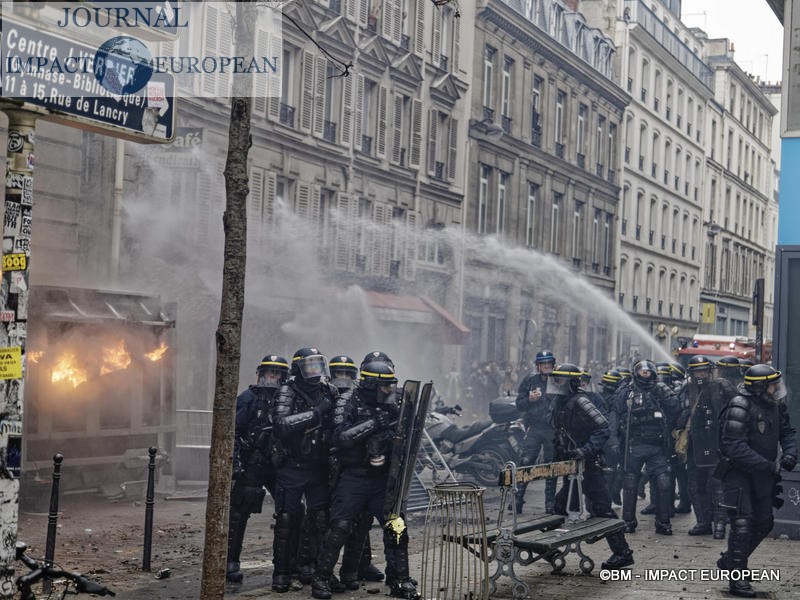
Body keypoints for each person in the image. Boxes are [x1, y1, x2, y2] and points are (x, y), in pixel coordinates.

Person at [312, 359, 420, 600]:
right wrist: (373, 424)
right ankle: (321, 578)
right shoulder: (347, 400)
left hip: (383, 479)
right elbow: (340, 437)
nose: (389, 391)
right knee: (339, 528)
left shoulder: (393, 401)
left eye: (391, 386)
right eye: (384, 387)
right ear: (371, 384)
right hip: (354, 477)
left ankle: (400, 579)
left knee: (397, 527)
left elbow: (407, 431)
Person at [716, 364, 797, 598]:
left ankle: (731, 561)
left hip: (763, 476)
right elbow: (733, 446)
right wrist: (769, 465)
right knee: (742, 524)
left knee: (764, 522)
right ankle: (737, 578)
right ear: (761, 386)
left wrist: (790, 453)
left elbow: (787, 432)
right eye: (773, 385)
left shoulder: (775, 406)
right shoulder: (739, 406)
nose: (777, 388)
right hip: (737, 474)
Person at [548, 364, 634, 570]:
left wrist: (586, 450)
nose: (556, 384)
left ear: (571, 383)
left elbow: (603, 428)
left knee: (602, 507)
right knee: (560, 506)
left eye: (560, 380)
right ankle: (548, 550)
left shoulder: (581, 401)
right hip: (572, 466)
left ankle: (623, 553)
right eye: (555, 379)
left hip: (588, 466)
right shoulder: (558, 402)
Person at [270, 347, 338, 592]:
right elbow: (281, 425)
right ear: (298, 369)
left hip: (318, 466)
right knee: (287, 519)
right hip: (292, 466)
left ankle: (319, 571)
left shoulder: (327, 390)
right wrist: (315, 413)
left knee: (321, 520)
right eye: (310, 366)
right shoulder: (288, 391)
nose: (315, 371)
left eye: (318, 365)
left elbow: (337, 423)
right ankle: (282, 572)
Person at [226, 355, 289, 583]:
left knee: (289, 511)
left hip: (277, 464)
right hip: (251, 463)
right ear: (261, 374)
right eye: (270, 372)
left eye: (277, 373)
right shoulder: (248, 399)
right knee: (238, 513)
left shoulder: (288, 400)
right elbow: (232, 431)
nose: (273, 377)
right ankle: (230, 562)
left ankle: (285, 566)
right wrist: (237, 465)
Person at [329, 354, 384, 587]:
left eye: (346, 374)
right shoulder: (334, 397)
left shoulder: (380, 399)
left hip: (367, 473)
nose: (342, 379)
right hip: (336, 467)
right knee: (332, 523)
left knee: (363, 521)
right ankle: (317, 571)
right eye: (338, 374)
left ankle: (357, 566)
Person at [616, 359, 680, 534]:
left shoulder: (660, 389)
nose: (645, 374)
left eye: (648, 372)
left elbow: (675, 408)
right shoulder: (626, 391)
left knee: (664, 482)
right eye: (642, 372)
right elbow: (617, 413)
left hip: (657, 446)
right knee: (629, 485)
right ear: (636, 373)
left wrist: (661, 393)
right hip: (634, 444)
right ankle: (628, 522)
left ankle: (663, 523)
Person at [676, 356, 729, 536]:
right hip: (694, 447)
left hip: (716, 446)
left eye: (704, 370)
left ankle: (720, 523)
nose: (701, 374)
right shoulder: (686, 390)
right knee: (695, 486)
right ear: (692, 373)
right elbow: (679, 412)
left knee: (716, 486)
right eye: (698, 371)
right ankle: (703, 522)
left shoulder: (720, 388)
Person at [514, 350, 557, 513]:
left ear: (553, 365)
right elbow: (519, 403)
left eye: (549, 364)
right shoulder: (530, 380)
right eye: (543, 364)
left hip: (553, 430)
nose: (546, 367)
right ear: (538, 366)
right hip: (535, 427)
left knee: (552, 466)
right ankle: (517, 500)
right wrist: (530, 399)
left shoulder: (559, 379)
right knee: (525, 462)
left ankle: (550, 504)